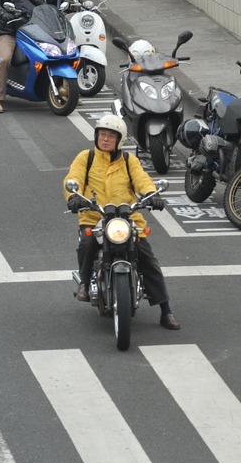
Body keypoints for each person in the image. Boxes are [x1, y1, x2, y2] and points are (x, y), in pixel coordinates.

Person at [63, 114, 181, 329]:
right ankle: (84, 285)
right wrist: (73, 197)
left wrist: (152, 194)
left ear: (120, 140)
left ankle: (166, 311)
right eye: (102, 134)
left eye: (110, 136)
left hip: (127, 218)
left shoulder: (129, 161)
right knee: (87, 244)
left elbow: (142, 179)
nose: (105, 139)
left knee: (147, 257)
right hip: (94, 216)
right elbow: (74, 178)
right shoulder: (85, 157)